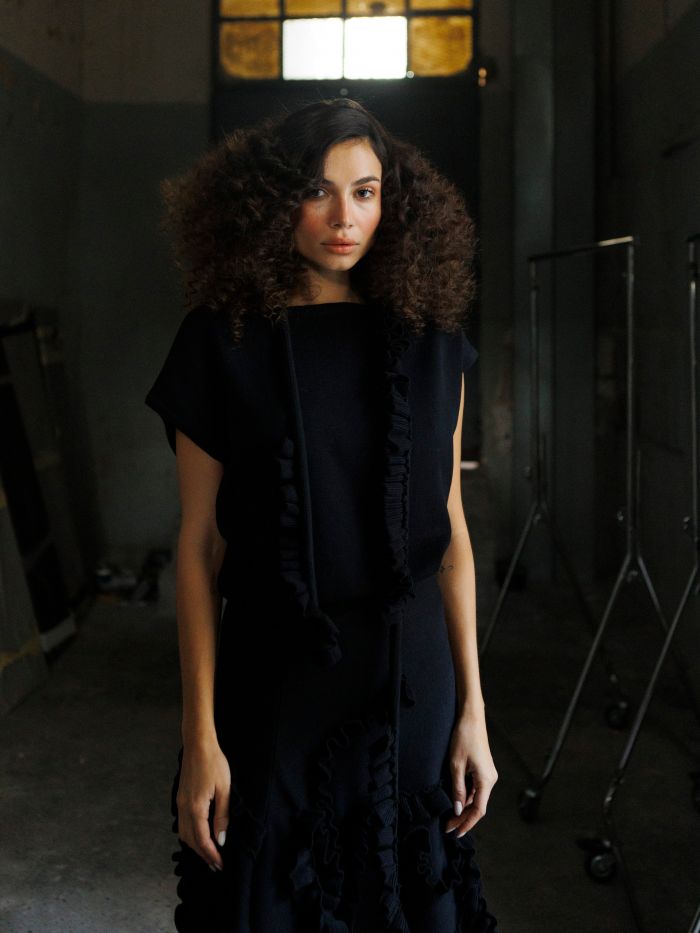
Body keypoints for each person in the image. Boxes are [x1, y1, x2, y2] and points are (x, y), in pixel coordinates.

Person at [145, 96, 499, 932]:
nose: (345, 218)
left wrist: (474, 712)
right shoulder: (219, 342)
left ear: (392, 203)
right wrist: (200, 736)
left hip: (409, 686)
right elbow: (198, 548)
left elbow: (451, 539)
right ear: (271, 203)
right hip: (275, 681)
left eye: (366, 192)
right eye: (318, 190)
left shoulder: (433, 340)